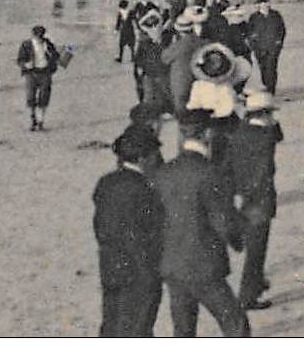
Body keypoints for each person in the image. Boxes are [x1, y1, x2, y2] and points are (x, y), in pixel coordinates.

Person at [151, 110, 250, 337]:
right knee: (235, 325)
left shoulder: (164, 171)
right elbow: (223, 221)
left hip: (172, 265)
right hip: (203, 264)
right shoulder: (210, 173)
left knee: (183, 331)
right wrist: (238, 239)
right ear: (207, 134)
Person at [93, 124, 165, 336]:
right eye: (154, 154)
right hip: (140, 270)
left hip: (110, 266)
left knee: (111, 324)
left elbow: (100, 226)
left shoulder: (105, 183)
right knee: (139, 328)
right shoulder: (145, 189)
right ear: (143, 158)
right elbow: (150, 233)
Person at [227, 90, 284, 311]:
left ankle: (257, 282)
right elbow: (277, 135)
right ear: (265, 113)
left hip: (243, 196)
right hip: (259, 200)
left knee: (255, 248)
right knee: (257, 251)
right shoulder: (265, 138)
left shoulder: (240, 132)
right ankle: (248, 295)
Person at [17, 25, 60, 131]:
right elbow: (20, 60)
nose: (39, 39)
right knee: (30, 97)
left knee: (44, 96)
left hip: (45, 72)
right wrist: (26, 65)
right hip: (31, 73)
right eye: (37, 37)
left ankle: (40, 120)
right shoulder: (26, 44)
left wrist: (51, 53)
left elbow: (57, 57)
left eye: (41, 37)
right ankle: (32, 118)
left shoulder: (48, 44)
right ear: (33, 35)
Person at [246, 0, 286, 94]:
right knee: (263, 67)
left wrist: (279, 42)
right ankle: (266, 85)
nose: (265, 4)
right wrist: (253, 43)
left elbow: (282, 29)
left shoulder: (276, 15)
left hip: (273, 46)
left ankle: (271, 89)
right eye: (263, 3)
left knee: (271, 67)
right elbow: (249, 31)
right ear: (258, 5)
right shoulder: (254, 17)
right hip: (259, 47)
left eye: (267, 2)